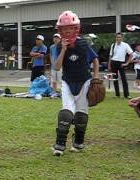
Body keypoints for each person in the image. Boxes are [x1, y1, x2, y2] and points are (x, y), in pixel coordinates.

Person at [52, 11, 100, 156]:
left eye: (70, 28)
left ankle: (78, 142)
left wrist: (96, 78)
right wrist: (64, 49)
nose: (67, 31)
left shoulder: (83, 44)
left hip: (84, 81)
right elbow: (57, 67)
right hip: (68, 81)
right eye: (64, 29)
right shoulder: (58, 47)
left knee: (81, 116)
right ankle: (60, 144)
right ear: (60, 31)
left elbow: (95, 60)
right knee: (66, 113)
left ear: (76, 29)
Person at [108, 32, 133, 99]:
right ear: (115, 38)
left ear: (122, 38)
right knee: (115, 79)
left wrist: (127, 63)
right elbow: (110, 56)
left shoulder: (125, 45)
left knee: (124, 79)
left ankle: (126, 95)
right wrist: (109, 65)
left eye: (119, 37)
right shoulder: (113, 45)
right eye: (117, 37)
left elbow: (131, 54)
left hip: (121, 63)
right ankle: (117, 95)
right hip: (113, 63)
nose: (118, 38)